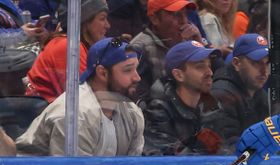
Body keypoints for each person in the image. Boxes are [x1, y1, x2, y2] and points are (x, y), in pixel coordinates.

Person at [17, 37, 145, 155]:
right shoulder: (75, 116)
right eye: (127, 70)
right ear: (103, 73)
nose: (137, 78)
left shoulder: (132, 114)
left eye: (136, 69)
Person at [142, 39, 224, 154]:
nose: (209, 72)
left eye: (209, 65)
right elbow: (164, 163)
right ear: (179, 75)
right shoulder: (157, 112)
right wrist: (200, 147)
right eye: (200, 66)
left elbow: (226, 152)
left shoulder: (212, 107)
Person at [25, 0, 110, 102]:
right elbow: (89, 97)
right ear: (85, 22)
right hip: (38, 112)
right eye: (102, 19)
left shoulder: (75, 44)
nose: (107, 25)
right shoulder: (68, 47)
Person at [130, 0, 204, 103]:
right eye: (176, 15)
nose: (184, 21)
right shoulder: (139, 48)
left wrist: (199, 46)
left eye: (185, 14)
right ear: (154, 19)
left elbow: (208, 81)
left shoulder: (187, 42)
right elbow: (139, 99)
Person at [211, 33, 270, 149]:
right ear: (236, 63)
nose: (264, 71)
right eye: (256, 63)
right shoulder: (222, 95)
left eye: (267, 63)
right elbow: (229, 147)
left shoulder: (259, 93)